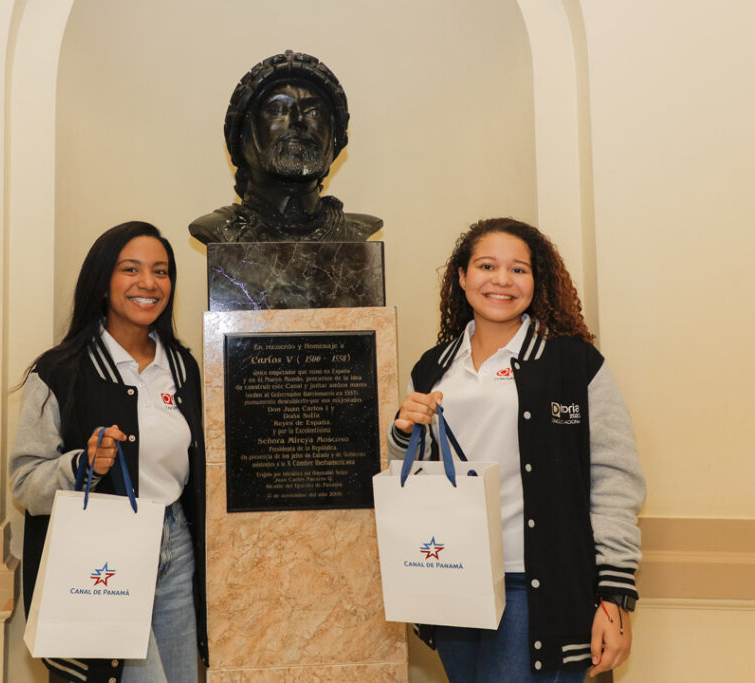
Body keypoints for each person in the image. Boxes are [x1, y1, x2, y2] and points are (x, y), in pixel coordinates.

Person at [387, 217, 645, 681]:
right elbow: (408, 473)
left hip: (536, 584)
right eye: (487, 265)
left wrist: (614, 594)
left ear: (536, 282)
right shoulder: (434, 367)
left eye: (519, 269)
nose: (502, 280)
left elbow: (615, 478)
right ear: (462, 277)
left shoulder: (573, 363)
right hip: (453, 575)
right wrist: (405, 430)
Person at [10, 221, 206, 683]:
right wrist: (81, 465)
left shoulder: (183, 366)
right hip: (104, 556)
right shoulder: (59, 371)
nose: (148, 283)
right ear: (103, 282)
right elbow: (25, 483)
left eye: (161, 271)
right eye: (130, 269)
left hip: (175, 547)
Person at [189, 50, 382, 243]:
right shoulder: (221, 230)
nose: (298, 120)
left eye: (313, 112)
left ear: (334, 139)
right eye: (277, 110)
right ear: (243, 135)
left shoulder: (354, 232)